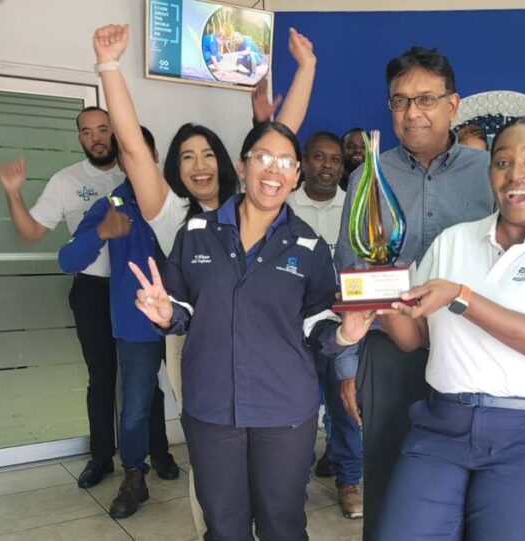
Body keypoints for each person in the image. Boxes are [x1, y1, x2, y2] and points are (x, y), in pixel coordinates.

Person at [91, 22, 316, 537]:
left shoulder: (266, 202)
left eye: (208, 153)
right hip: (195, 337)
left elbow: (282, 141)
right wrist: (109, 67)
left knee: (271, 485)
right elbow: (129, 144)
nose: (199, 164)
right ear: (174, 167)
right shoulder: (173, 216)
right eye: (186, 156)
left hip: (267, 349)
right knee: (215, 467)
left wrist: (306, 69)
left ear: (231, 163)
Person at [343, 116, 525, 541]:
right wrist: (380, 295)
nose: (515, 175)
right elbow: (418, 338)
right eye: (502, 162)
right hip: (441, 424)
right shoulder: (455, 240)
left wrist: (462, 297)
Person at [129, 120, 370, 541]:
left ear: (296, 175)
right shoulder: (197, 235)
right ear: (243, 166)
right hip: (212, 405)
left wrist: (344, 334)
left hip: (283, 411)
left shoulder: (308, 245)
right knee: (223, 525)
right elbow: (181, 307)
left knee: (283, 523)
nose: (272, 170)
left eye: (284, 162)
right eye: (262, 158)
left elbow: (317, 322)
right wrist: (165, 313)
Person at [332, 46, 495, 539]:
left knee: (467, 490)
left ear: (453, 104)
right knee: (385, 474)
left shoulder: (487, 177)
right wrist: (348, 368)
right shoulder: (366, 178)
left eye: (426, 98)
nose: (412, 113)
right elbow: (349, 270)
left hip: (471, 354)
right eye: (399, 101)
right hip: (388, 356)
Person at [0, 107, 174, 490]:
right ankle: (102, 459)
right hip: (94, 291)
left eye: (104, 130)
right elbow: (37, 235)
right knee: (103, 380)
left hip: (142, 295)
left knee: (146, 380)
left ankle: (159, 453)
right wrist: (13, 195)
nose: (96, 137)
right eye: (87, 131)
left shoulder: (155, 185)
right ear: (80, 137)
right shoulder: (72, 183)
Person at [57, 126, 180, 518]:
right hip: (137, 323)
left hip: (191, 321)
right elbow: (68, 260)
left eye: (140, 151)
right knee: (135, 404)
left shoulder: (182, 200)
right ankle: (134, 476)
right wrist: (99, 232)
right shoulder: (110, 205)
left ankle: (191, 461)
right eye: (126, 152)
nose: (134, 159)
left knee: (197, 396)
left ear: (155, 155)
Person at [286, 131, 365, 518]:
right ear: (304, 160)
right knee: (296, 414)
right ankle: (294, 485)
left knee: (343, 407)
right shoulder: (284, 206)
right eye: (319, 157)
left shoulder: (356, 208)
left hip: (341, 328)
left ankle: (349, 480)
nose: (328, 165)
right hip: (293, 331)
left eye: (335, 159)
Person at [339, 127, 365, 191]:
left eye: (364, 147)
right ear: (341, 151)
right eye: (350, 146)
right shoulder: (332, 183)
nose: (358, 150)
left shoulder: (380, 184)